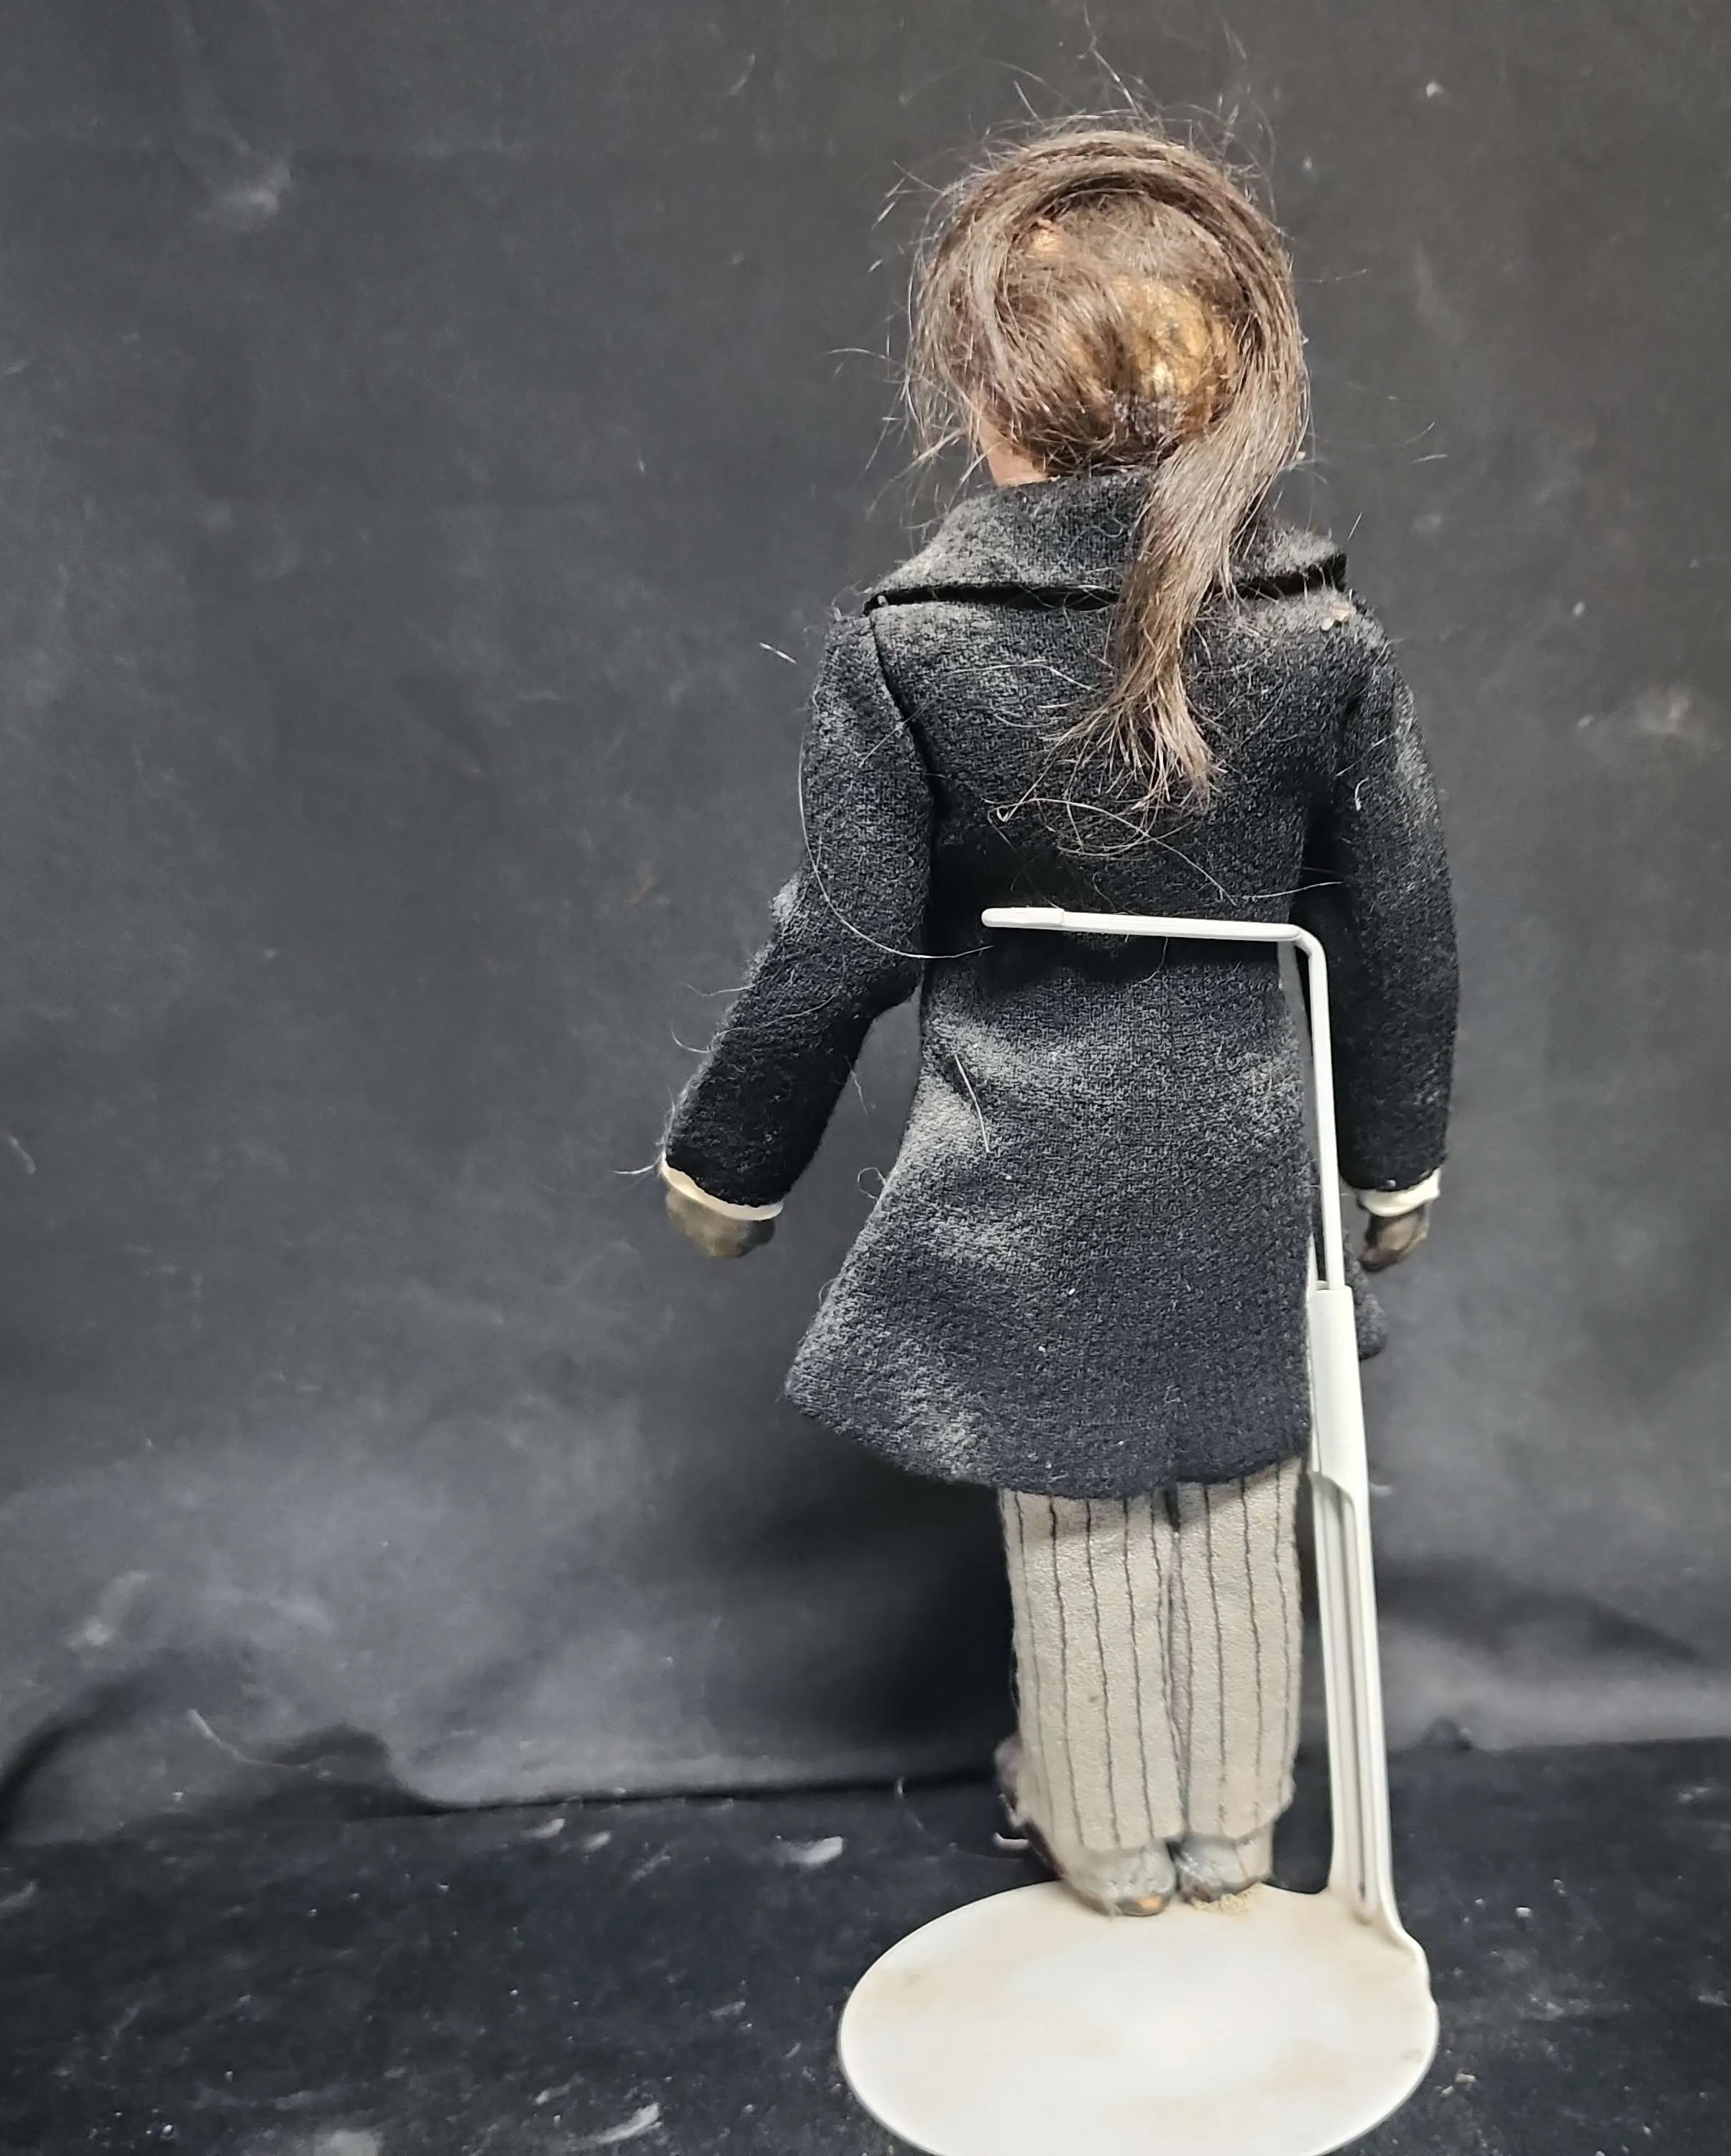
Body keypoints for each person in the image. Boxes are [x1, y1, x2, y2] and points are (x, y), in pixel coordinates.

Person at [656, 122, 1456, 1917]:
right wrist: (1395, 1162)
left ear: (984, 398)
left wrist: (733, 1155)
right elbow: (1396, 927)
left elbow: (842, 939)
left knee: (1080, 1530)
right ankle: (1229, 1835)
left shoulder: (914, 647)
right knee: (1240, 1514)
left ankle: (1109, 1848)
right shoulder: (1319, 641)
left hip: (1026, 1189)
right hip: (1245, 1177)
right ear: (1239, 388)